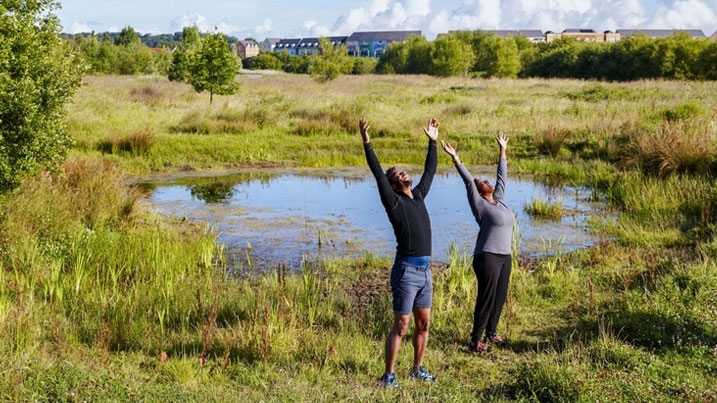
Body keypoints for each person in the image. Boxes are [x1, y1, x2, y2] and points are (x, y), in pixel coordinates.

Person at [360, 118, 439, 387]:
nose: (403, 174)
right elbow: (377, 174)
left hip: (426, 271)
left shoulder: (418, 196)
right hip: (406, 271)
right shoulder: (393, 202)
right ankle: (389, 375)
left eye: (402, 172)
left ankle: (417, 368)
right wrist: (367, 144)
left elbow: (430, 170)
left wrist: (432, 141)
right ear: (393, 185)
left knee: (424, 324)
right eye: (397, 176)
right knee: (402, 325)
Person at [441, 132, 514, 354]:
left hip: (504, 256)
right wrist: (456, 158)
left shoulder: (499, 201)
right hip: (487, 256)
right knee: (486, 297)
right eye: (483, 182)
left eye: (486, 180)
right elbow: (467, 181)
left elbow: (502, 177)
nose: (487, 182)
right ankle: (475, 341)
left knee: (499, 296)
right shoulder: (480, 206)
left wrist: (502, 149)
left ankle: (491, 333)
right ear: (479, 191)